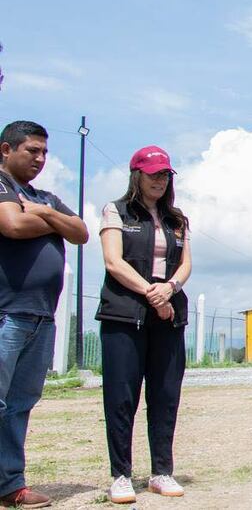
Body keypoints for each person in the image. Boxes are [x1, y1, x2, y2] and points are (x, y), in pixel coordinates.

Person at [0, 120, 89, 509]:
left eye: (45, 152)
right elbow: (12, 224)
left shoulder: (43, 197)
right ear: (6, 150)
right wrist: (53, 219)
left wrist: (43, 212)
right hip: (6, 314)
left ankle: (10, 485)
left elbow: (81, 232)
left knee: (20, 404)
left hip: (40, 317)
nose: (40, 158)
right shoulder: (1, 185)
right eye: (32, 150)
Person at [96, 146, 192, 503]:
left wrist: (170, 288)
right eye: (153, 174)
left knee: (165, 395)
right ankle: (121, 475)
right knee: (121, 397)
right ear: (137, 175)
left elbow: (185, 265)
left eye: (165, 174)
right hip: (125, 314)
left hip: (169, 316)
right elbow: (113, 261)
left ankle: (162, 471)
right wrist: (152, 293)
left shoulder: (177, 219)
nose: (160, 180)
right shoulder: (116, 211)